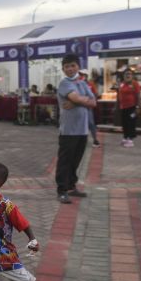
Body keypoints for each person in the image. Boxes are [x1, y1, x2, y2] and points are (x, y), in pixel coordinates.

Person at [56, 54, 96, 204]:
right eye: (67, 66)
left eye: (73, 65)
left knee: (76, 161)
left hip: (82, 130)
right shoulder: (64, 83)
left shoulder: (83, 83)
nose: (70, 69)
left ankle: (71, 187)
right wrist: (80, 101)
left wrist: (77, 102)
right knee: (65, 161)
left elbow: (93, 103)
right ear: (63, 69)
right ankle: (62, 190)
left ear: (78, 67)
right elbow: (78, 98)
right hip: (68, 131)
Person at [118, 69, 141, 147]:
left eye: (129, 74)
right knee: (124, 123)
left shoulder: (135, 84)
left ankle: (130, 140)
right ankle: (125, 137)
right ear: (123, 76)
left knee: (131, 123)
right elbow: (119, 95)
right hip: (123, 107)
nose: (127, 75)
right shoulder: (122, 84)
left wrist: (138, 107)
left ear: (132, 76)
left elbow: (138, 96)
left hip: (132, 107)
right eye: (126, 74)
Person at [79, 69, 101, 148]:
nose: (81, 76)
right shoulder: (76, 84)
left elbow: (95, 95)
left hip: (88, 107)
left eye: (83, 75)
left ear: (86, 76)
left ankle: (95, 140)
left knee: (91, 123)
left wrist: (90, 102)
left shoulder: (91, 84)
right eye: (80, 74)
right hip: (78, 107)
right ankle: (80, 141)